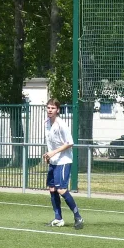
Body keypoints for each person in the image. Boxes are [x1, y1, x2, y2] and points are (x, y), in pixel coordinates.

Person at [43, 98, 84, 229]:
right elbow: (51, 142)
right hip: (54, 160)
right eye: (48, 108)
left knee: (61, 189)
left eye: (53, 108)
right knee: (52, 188)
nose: (50, 110)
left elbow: (70, 143)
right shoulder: (46, 123)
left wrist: (53, 153)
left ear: (58, 110)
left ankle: (78, 217)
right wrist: (48, 155)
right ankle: (58, 218)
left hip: (64, 161)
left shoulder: (61, 124)